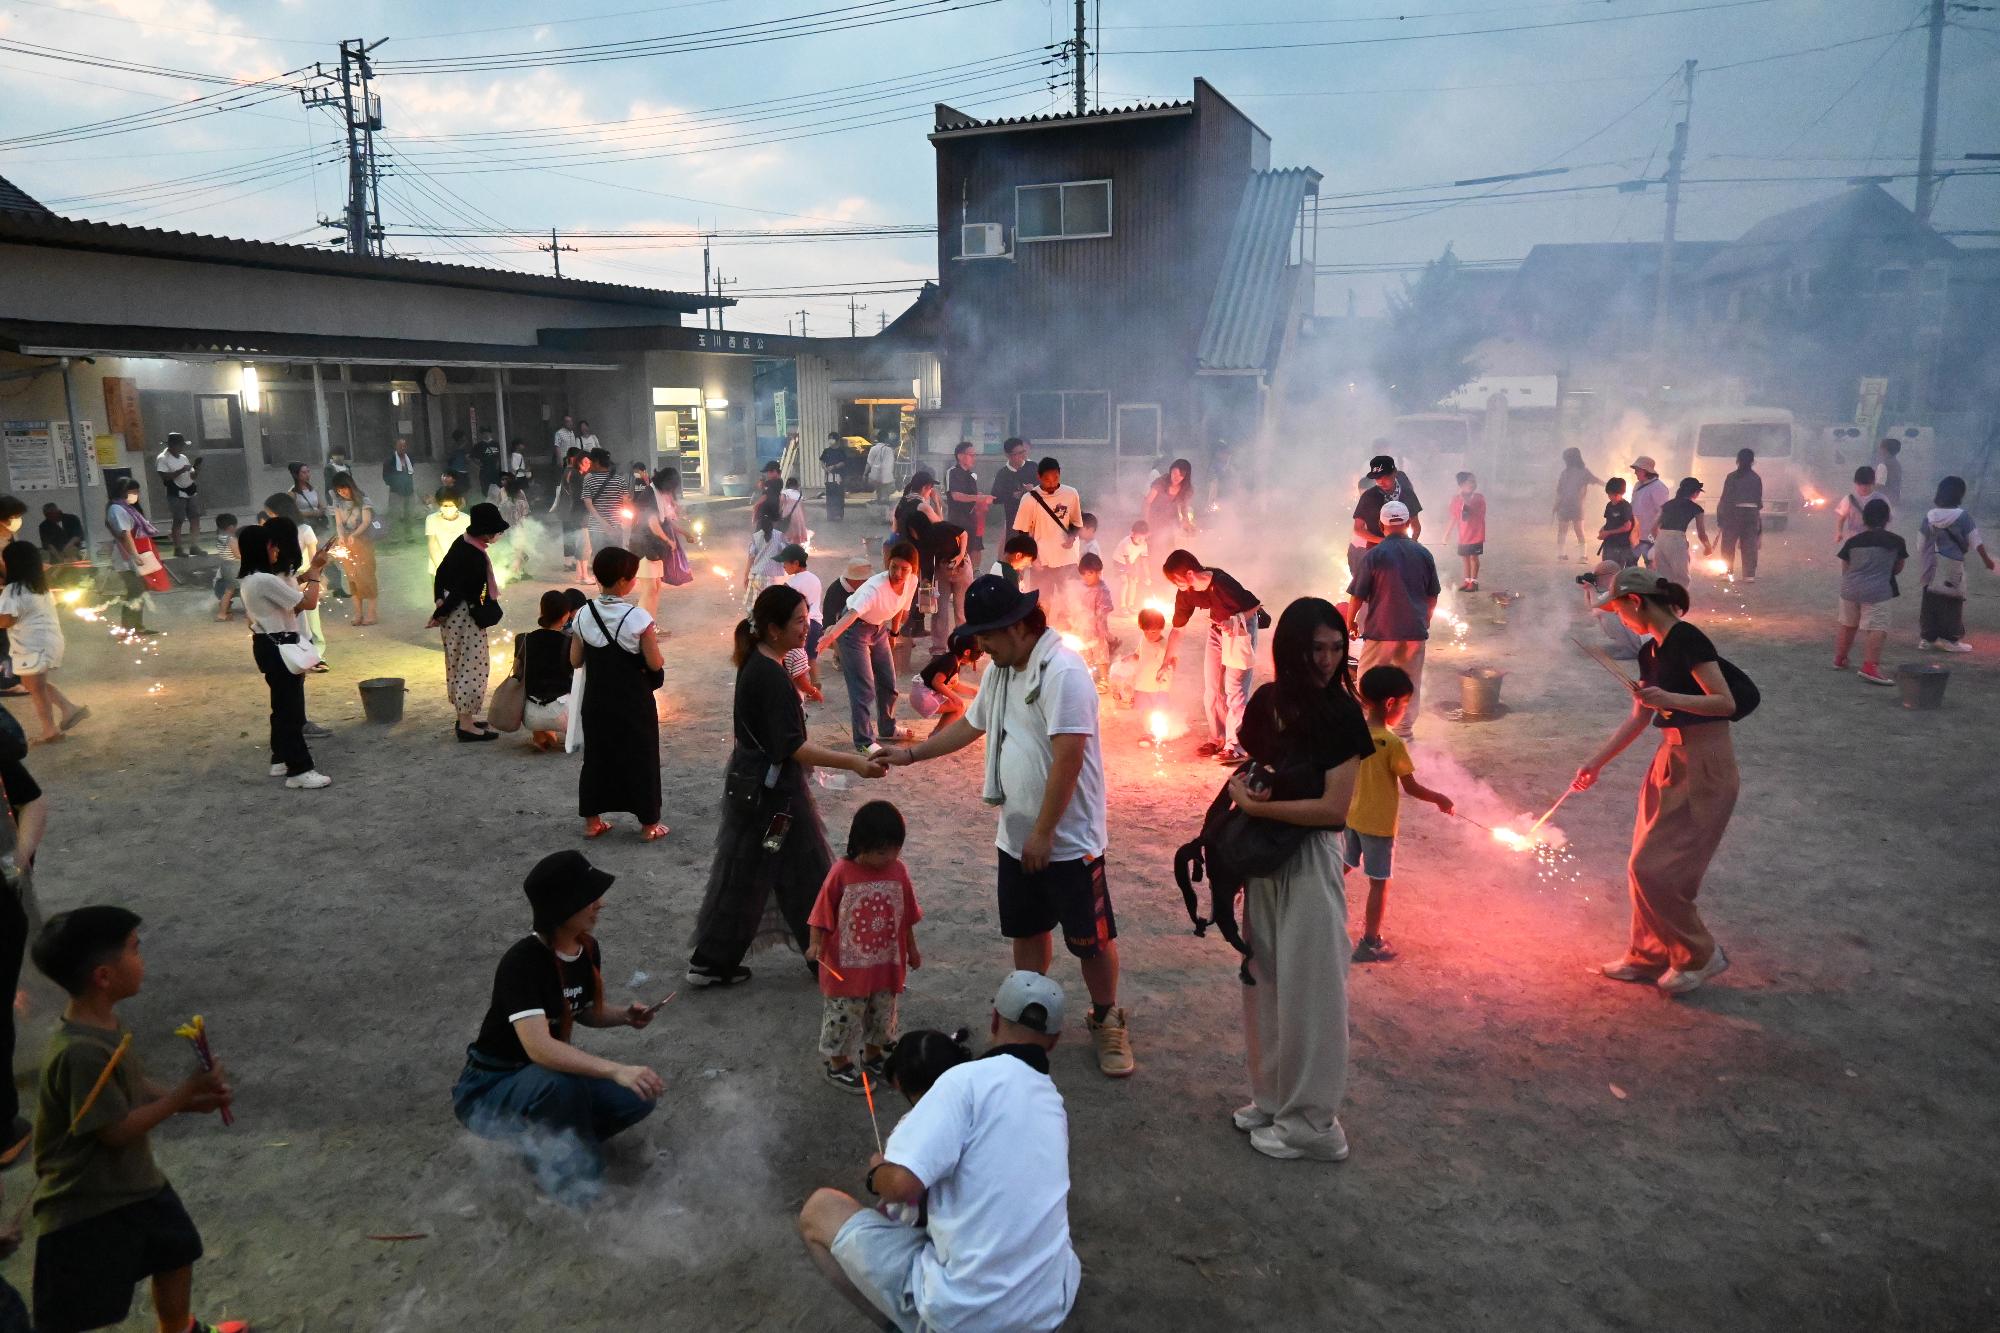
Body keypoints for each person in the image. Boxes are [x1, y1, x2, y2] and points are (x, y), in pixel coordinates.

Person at [880, 576, 1135, 1079]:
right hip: (1015, 834)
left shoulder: (1063, 672)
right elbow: (972, 725)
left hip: (1068, 839)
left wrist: (1044, 832)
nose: (980, 646)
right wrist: (909, 755)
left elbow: (1069, 757)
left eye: (988, 635)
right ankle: (1025, 1015)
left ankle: (1107, 1017)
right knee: (1027, 927)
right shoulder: (1002, 670)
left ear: (1018, 626)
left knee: (1090, 938)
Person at [796, 973, 1081, 1333]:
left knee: (820, 1210)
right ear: (1053, 1042)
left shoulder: (964, 1082)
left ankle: (904, 1323)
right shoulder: (1054, 1104)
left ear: (994, 1020)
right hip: (1048, 1307)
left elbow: (899, 1187)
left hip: (967, 1316)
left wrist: (876, 1171)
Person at [27, 907, 243, 1333]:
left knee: (177, 1250)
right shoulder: (80, 1052)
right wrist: (184, 1091)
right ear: (104, 977)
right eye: (134, 950)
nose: (142, 959)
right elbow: (116, 1130)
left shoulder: (103, 1025)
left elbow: (132, 1085)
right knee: (73, 1311)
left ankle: (179, 1329)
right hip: (87, 1201)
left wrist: (190, 1101)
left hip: (132, 1183)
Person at [1223, 597, 1373, 1162]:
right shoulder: (1268, 703)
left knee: (1312, 989)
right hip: (1268, 858)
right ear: (1292, 648)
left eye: (1337, 648)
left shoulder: (1342, 714)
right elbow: (1262, 761)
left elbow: (1335, 810)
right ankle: (1274, 1097)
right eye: (1317, 648)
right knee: (1264, 977)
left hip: (1309, 856)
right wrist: (1253, 791)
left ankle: (1313, 1123)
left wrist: (1258, 811)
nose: (1329, 660)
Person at [687, 584, 888, 987]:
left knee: (764, 870)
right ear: (773, 630)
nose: (806, 628)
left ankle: (717, 961)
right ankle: (822, 955)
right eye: (799, 621)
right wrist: (855, 762)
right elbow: (793, 747)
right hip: (775, 798)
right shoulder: (770, 676)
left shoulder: (759, 663)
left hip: (758, 788)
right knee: (799, 870)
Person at [451, 851, 664, 1206]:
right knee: (559, 1084)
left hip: (541, 1083)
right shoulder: (523, 963)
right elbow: (540, 1049)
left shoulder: (586, 948)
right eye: (589, 897)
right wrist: (616, 1069)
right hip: (489, 1090)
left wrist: (624, 1016)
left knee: (637, 1096)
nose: (601, 903)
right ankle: (567, 1181)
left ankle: (549, 1141)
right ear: (563, 908)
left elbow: (579, 1011)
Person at [1572, 567, 1743, 996]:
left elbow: (1724, 702)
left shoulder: (1688, 640)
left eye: (1619, 610)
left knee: (1653, 868)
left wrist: (1668, 698)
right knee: (1641, 864)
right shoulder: (1650, 654)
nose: (1619, 620)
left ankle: (1700, 953)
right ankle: (1648, 955)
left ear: (1636, 602)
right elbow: (1639, 718)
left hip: (1705, 760)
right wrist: (1595, 763)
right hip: (1669, 758)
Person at [1343, 666, 1456, 963]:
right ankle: (1370, 942)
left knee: (1342, 866)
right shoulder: (1392, 744)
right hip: (1379, 826)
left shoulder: (1355, 731)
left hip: (1353, 817)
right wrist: (1440, 799)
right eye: (1405, 704)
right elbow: (1411, 787)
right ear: (1390, 703)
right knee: (1379, 882)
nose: (1405, 711)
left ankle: (1312, 904)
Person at [807, 801, 922, 1092]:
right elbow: (821, 914)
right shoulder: (841, 873)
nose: (890, 856)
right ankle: (838, 1065)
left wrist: (912, 949)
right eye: (882, 850)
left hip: (885, 967)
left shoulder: (898, 871)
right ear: (861, 845)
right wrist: (815, 945)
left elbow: (906, 916)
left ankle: (873, 1056)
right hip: (846, 970)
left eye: (895, 849)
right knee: (844, 1017)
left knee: (881, 1016)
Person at [571, 547, 667, 839]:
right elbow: (654, 662)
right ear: (626, 581)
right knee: (641, 756)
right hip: (632, 701)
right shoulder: (638, 617)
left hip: (597, 698)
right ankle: (649, 825)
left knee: (597, 757)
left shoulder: (583, 614)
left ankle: (592, 822)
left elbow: (575, 660)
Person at [238, 521, 334, 787]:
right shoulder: (264, 580)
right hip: (279, 646)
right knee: (290, 713)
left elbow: (288, 596)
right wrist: (315, 571)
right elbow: (308, 603)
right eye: (272, 546)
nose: (276, 550)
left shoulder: (251, 579)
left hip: (268, 644)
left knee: (281, 708)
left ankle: (280, 760)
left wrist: (309, 573)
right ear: (264, 547)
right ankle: (300, 770)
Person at [1344, 502, 1438, 741]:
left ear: (1381, 525)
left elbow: (1358, 595)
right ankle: (1404, 736)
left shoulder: (1374, 555)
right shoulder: (1423, 553)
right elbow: (1432, 594)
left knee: (1366, 678)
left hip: (1381, 633)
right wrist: (1425, 620)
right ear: (1407, 524)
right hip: (1413, 633)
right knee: (1409, 683)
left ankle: (1370, 730)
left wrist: (1351, 622)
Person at [1159, 550, 1263, 761]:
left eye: (1176, 580)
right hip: (1217, 629)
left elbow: (1255, 606)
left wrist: (1234, 622)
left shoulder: (1222, 583)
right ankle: (1217, 739)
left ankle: (1237, 745)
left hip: (1239, 629)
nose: (1175, 585)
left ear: (1189, 574)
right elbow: (1178, 629)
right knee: (1212, 688)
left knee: (1235, 689)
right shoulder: (1186, 593)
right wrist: (1166, 661)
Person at [818, 541, 919, 753]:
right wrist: (830, 637)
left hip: (878, 627)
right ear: (887, 565)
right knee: (864, 687)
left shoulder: (912, 582)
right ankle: (864, 741)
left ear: (913, 569)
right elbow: (851, 615)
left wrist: (893, 632)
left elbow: (899, 607)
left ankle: (887, 728)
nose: (898, 573)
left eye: (904, 569)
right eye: (893, 567)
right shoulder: (874, 588)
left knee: (888, 682)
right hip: (852, 630)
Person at [431, 501, 509, 740]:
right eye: (496, 531)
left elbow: (441, 574)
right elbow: (463, 590)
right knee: (473, 665)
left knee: (457, 662)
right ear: (487, 531)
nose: (498, 535)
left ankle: (464, 717)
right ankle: (466, 726)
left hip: (452, 611)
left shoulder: (462, 542)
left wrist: (438, 602)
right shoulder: (474, 555)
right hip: (463, 615)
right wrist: (440, 614)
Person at [0, 544, 87, 744]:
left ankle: (50, 730)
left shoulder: (13, 591)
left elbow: (7, 621)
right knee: (32, 684)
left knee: (36, 689)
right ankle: (69, 709)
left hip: (32, 645)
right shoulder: (38, 585)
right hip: (46, 641)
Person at [1834, 497, 1907, 687]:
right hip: (1877, 592)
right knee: (1877, 627)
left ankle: (1840, 659)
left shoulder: (1853, 541)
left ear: (1864, 518)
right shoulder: (1896, 542)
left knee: (1848, 624)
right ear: (1887, 518)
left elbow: (1845, 567)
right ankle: (1869, 666)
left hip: (1849, 590)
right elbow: (1898, 568)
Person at [1918, 475, 1994, 653]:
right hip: (1953, 564)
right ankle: (1952, 640)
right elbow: (1976, 541)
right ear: (1959, 495)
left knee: (1930, 600)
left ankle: (1927, 638)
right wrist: (1987, 561)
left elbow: (1921, 543)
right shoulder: (1962, 517)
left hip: (1931, 564)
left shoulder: (1929, 516)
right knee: (1952, 601)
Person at [1011, 457, 1083, 624]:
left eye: (1055, 478)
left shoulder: (1071, 494)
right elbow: (1023, 533)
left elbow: (1076, 522)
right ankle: (1043, 634)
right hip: (1042, 562)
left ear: (1060, 474)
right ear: (1039, 476)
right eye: (1047, 480)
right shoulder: (1029, 499)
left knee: (1069, 600)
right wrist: (1033, 559)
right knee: (1042, 603)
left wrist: (1072, 537)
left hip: (1067, 559)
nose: (1051, 483)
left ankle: (1069, 633)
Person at [517, 590, 579, 751]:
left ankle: (540, 733)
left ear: (541, 611)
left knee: (537, 691)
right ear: (566, 615)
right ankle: (571, 738)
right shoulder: (568, 642)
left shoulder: (524, 639)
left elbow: (518, 671)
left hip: (529, 714)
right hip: (562, 714)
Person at [103, 476, 157, 634]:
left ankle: (135, 626)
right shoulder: (117, 509)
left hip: (131, 554)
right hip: (125, 557)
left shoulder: (126, 508)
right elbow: (125, 534)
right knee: (135, 590)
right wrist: (134, 555)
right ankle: (129, 628)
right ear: (124, 492)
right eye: (133, 491)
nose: (136, 494)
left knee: (138, 591)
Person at [328, 472, 379, 626]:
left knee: (367, 576)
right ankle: (358, 613)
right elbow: (338, 523)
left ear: (350, 486)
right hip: (348, 543)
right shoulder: (338, 503)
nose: (342, 493)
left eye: (344, 489)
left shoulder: (363, 500)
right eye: (339, 491)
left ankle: (371, 613)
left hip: (363, 541)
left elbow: (366, 521)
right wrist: (341, 537)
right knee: (352, 578)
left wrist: (354, 535)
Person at [1351, 454, 1424, 562]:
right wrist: (1384, 541)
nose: (1381, 481)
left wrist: (1411, 543)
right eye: (1377, 478)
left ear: (1394, 473)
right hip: (1376, 553)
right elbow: (1358, 529)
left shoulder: (1407, 494)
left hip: (1404, 552)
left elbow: (1415, 524)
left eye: (1385, 477)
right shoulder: (1368, 496)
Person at [944, 440, 993, 570]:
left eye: (974, 455)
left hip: (972, 518)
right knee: (958, 551)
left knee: (973, 548)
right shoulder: (953, 472)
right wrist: (978, 497)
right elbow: (956, 495)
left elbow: (972, 496)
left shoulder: (971, 475)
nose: (974, 458)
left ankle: (971, 573)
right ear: (960, 456)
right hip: (958, 519)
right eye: (971, 455)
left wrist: (980, 498)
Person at [1582, 559, 1646, 660]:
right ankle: (1631, 646)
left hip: (1649, 637)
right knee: (1604, 613)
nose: (1596, 581)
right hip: (1647, 634)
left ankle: (1631, 650)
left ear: (1610, 576)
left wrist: (1591, 589)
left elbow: (1597, 609)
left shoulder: (1622, 587)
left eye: (1598, 577)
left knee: (1606, 615)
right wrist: (1588, 590)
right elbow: (1591, 608)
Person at [1716, 448, 1764, 582]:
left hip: (1733, 513)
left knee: (1728, 543)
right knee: (1749, 544)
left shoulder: (1731, 477)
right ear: (1752, 461)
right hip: (1751, 513)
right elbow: (1758, 499)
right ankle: (1749, 575)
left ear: (1738, 460)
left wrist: (1721, 517)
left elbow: (1725, 498)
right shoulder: (1756, 478)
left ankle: (1727, 572)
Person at [1653, 478, 1710, 588]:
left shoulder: (1667, 505)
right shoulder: (1696, 508)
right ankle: (1678, 602)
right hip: (1676, 539)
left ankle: (1665, 603)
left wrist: (1659, 540)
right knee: (1681, 578)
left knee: (1664, 576)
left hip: (1661, 538)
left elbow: (1654, 527)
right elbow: (1701, 533)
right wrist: (1708, 547)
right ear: (1695, 492)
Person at [581, 448, 627, 577]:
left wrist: (603, 523)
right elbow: (627, 503)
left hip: (596, 529)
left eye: (590, 462)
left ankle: (603, 592)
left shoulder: (588, 479)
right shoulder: (619, 480)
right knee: (616, 561)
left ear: (596, 462)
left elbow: (588, 504)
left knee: (599, 561)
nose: (589, 465)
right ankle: (614, 592)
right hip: (616, 528)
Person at [154, 433, 201, 556]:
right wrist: (181, 470)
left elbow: (192, 475)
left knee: (195, 518)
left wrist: (197, 469)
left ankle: (194, 546)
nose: (182, 448)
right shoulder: (163, 458)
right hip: (175, 492)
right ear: (171, 445)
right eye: (180, 445)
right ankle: (178, 548)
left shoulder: (183, 457)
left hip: (190, 490)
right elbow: (164, 477)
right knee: (179, 519)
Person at [1127, 608, 1172, 734]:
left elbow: (1172, 662)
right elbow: (1138, 654)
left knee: (1159, 710)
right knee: (1145, 711)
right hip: (1142, 685)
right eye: (1145, 631)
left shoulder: (1165, 645)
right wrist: (1129, 658)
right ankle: (1148, 733)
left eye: (1153, 632)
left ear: (1161, 628)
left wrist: (1167, 676)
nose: (1148, 635)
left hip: (1158, 686)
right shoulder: (1143, 640)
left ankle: (1160, 731)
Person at [1553, 446, 1600, 561]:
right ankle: (1581, 556)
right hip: (1574, 506)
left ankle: (1562, 554)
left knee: (1563, 531)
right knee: (1577, 530)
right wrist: (1610, 485)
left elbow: (1559, 492)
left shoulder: (1566, 473)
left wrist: (1556, 505)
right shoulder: (1581, 472)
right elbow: (1597, 480)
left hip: (1567, 506)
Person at [1444, 470, 1487, 591]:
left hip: (1476, 533)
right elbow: (1453, 517)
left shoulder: (1479, 498)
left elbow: (1476, 512)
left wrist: (1464, 499)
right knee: (1465, 558)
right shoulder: (1456, 499)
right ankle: (1467, 580)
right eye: (1470, 482)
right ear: (1461, 485)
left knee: (1474, 557)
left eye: (1474, 482)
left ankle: (1474, 582)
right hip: (1463, 535)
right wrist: (1447, 534)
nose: (1473, 484)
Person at [743, 502, 789, 607]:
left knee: (757, 605)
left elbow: (750, 558)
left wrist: (746, 576)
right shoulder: (780, 536)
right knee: (773, 606)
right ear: (774, 522)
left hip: (758, 576)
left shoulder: (756, 536)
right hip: (775, 577)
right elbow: (785, 553)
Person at [988, 436, 1035, 536]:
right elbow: (995, 498)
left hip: (1034, 519)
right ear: (1008, 455)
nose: (1022, 456)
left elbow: (1047, 489)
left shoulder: (1033, 467)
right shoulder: (1003, 474)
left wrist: (1034, 489)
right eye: (1017, 454)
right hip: (1014, 520)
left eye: (1023, 452)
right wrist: (1012, 495)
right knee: (1015, 548)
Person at [1076, 553, 1113, 677]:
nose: (1086, 577)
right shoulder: (1081, 587)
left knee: (1100, 654)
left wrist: (1102, 629)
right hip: (1083, 627)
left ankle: (1103, 679)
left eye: (1090, 573)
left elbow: (1103, 611)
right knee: (1084, 652)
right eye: (1084, 574)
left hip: (1098, 629)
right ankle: (1088, 677)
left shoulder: (1102, 590)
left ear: (1098, 572)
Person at [1629, 455, 1670, 566]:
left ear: (1644, 471)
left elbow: (1663, 512)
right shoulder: (1637, 485)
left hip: (1650, 536)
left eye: (1637, 470)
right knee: (1630, 566)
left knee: (1651, 565)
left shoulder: (1658, 487)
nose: (1635, 473)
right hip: (1636, 534)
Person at [1832, 466, 1884, 550]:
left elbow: (1887, 519)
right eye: (1860, 484)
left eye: (1867, 484)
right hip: (1854, 540)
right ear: (1855, 483)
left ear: (1873, 483)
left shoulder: (1880, 499)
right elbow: (1842, 518)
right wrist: (1839, 532)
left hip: (1875, 540)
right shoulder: (1849, 499)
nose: (1863, 487)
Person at [1144, 458, 1197, 540]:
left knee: (1170, 549)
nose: (1177, 477)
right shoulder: (1161, 483)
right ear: (1171, 471)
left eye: (1181, 475)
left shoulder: (1185, 489)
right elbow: (1147, 503)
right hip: (1153, 521)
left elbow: (1183, 508)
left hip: (1170, 523)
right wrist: (1146, 524)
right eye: (1175, 473)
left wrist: (1186, 523)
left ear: (1186, 476)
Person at [425, 488, 471, 577]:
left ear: (457, 504)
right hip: (438, 567)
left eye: (451, 506)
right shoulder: (431, 519)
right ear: (439, 504)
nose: (448, 509)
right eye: (445, 506)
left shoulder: (466, 519)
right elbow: (433, 545)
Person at [381, 438, 419, 539]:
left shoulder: (409, 458)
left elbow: (411, 472)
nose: (402, 448)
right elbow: (385, 476)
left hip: (409, 490)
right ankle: (394, 536)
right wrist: (395, 483)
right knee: (394, 515)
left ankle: (409, 535)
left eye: (404, 446)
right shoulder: (389, 460)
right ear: (396, 447)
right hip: (396, 491)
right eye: (400, 445)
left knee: (409, 514)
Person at [1598, 477, 1636, 568]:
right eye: (1609, 494)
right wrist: (1602, 530)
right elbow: (1609, 522)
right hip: (1609, 543)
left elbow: (1627, 526)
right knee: (1606, 568)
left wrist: (1608, 532)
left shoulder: (1625, 507)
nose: (1611, 497)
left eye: (1614, 495)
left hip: (1621, 545)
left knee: (1616, 570)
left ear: (1621, 493)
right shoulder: (1609, 505)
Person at [1112, 518, 1150, 611]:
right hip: (1119, 562)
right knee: (1125, 582)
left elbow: (1144, 562)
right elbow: (1127, 563)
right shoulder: (1126, 544)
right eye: (1139, 538)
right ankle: (1123, 606)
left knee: (1134, 582)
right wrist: (1133, 573)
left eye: (1143, 538)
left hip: (1130, 562)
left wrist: (1147, 576)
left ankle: (1131, 605)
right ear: (1132, 534)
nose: (1141, 540)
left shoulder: (1144, 545)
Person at [210, 513, 240, 621]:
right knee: (244, 589)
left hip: (225, 566)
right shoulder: (231, 540)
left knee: (228, 591)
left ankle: (222, 614)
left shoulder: (219, 538)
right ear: (231, 527)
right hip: (235, 567)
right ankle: (250, 614)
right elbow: (237, 555)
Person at [819, 432, 851, 522]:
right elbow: (822, 461)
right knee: (829, 496)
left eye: (832, 438)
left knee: (839, 496)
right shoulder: (826, 451)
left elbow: (844, 462)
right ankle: (830, 514)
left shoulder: (841, 451)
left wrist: (834, 466)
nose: (830, 440)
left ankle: (839, 514)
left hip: (838, 477)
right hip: (829, 477)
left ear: (836, 440)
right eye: (829, 438)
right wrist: (825, 468)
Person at [865, 434, 897, 505]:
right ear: (886, 439)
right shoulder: (890, 450)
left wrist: (865, 474)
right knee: (885, 494)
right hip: (887, 476)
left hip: (875, 476)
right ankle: (884, 509)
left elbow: (869, 463)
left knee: (879, 492)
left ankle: (879, 506)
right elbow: (892, 464)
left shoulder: (873, 449)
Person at [475, 427, 505, 503]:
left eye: (488, 433)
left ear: (491, 433)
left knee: (501, 487)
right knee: (485, 489)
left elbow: (502, 455)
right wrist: (477, 464)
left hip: (496, 470)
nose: (486, 434)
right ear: (482, 434)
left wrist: (499, 463)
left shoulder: (496, 444)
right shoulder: (479, 445)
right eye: (484, 433)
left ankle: (501, 504)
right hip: (485, 470)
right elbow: (472, 457)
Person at [1875, 436, 1903, 505]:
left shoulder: (1883, 465)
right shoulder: (1897, 464)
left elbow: (1879, 485)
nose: (1879, 450)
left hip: (1884, 500)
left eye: (1880, 448)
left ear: (1884, 450)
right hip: (1894, 498)